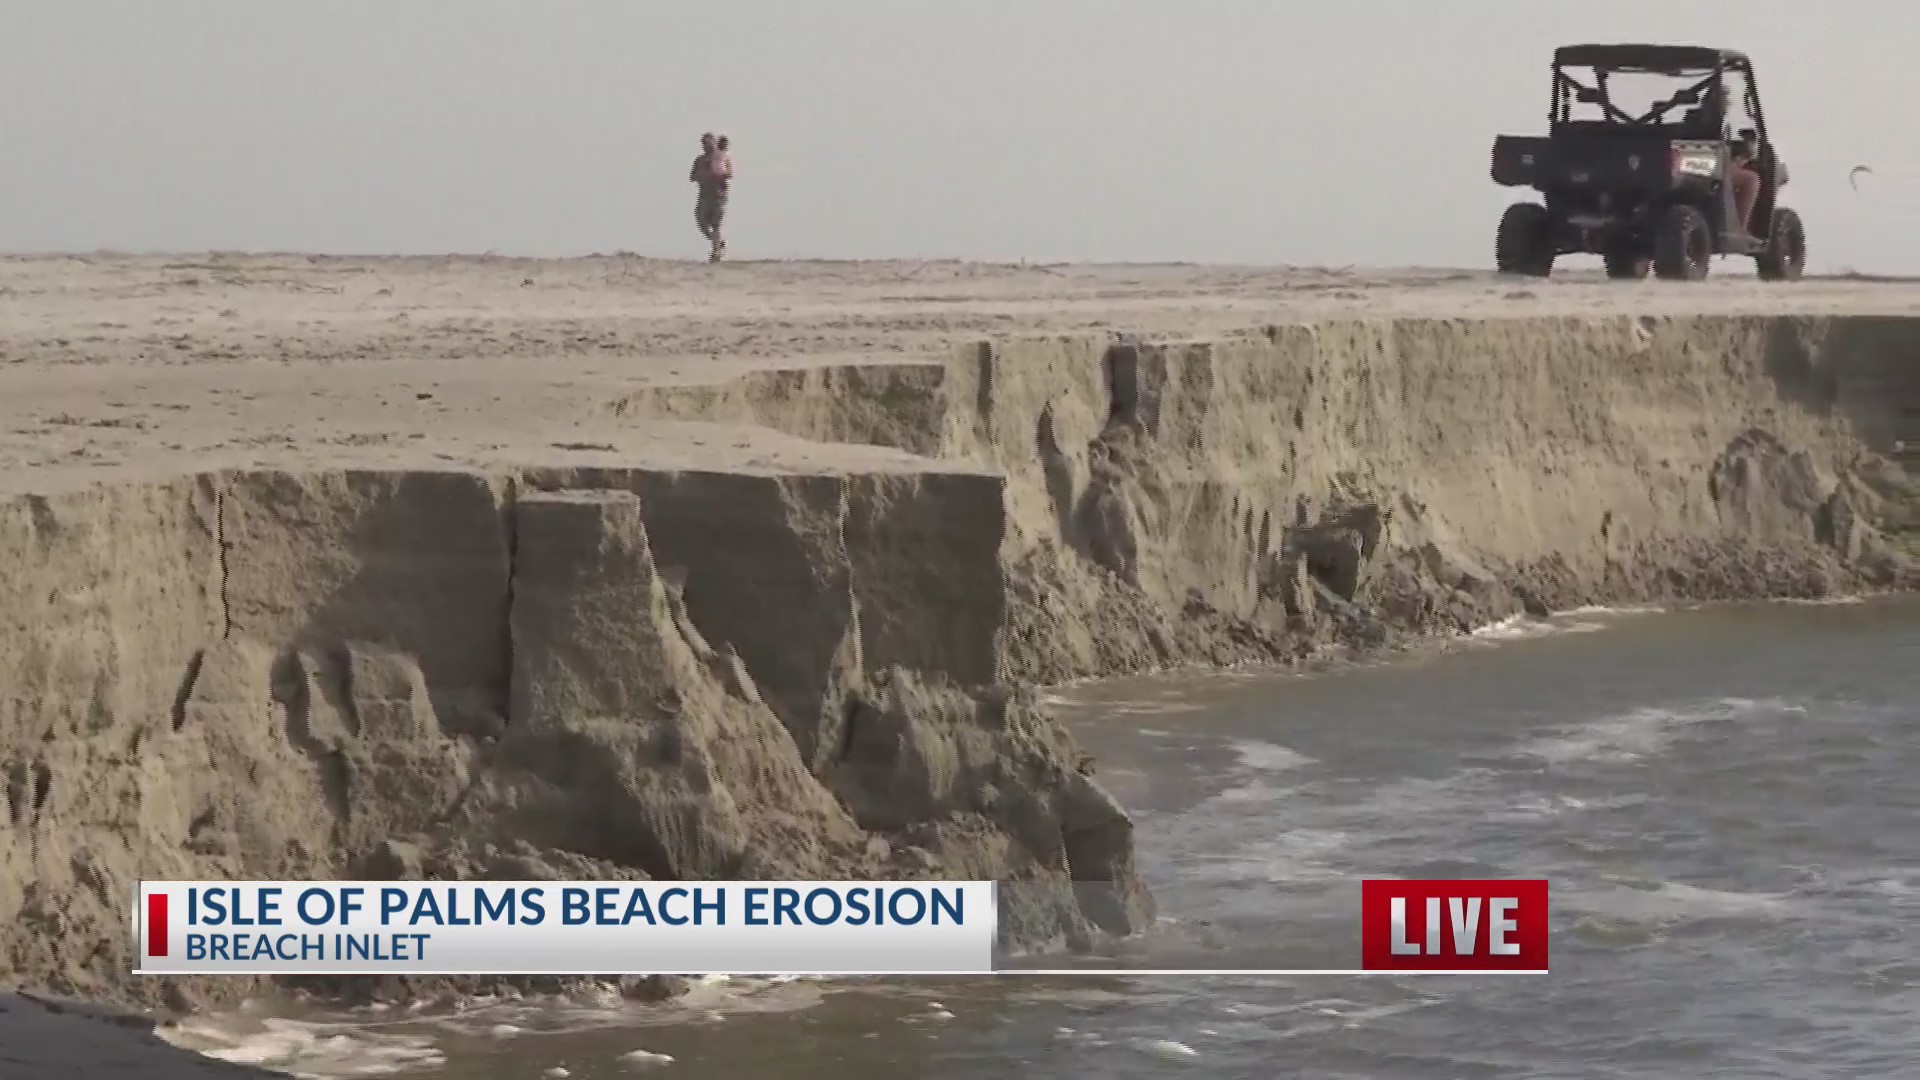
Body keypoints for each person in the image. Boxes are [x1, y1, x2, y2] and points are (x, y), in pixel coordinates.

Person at [689, 132, 734, 262]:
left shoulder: (723, 157)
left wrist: (721, 174)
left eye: (709, 143)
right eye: (704, 144)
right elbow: (692, 176)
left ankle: (716, 252)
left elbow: (729, 173)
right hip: (704, 195)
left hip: (719, 195)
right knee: (702, 222)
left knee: (716, 223)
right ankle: (717, 242)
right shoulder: (700, 160)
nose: (707, 146)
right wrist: (702, 175)